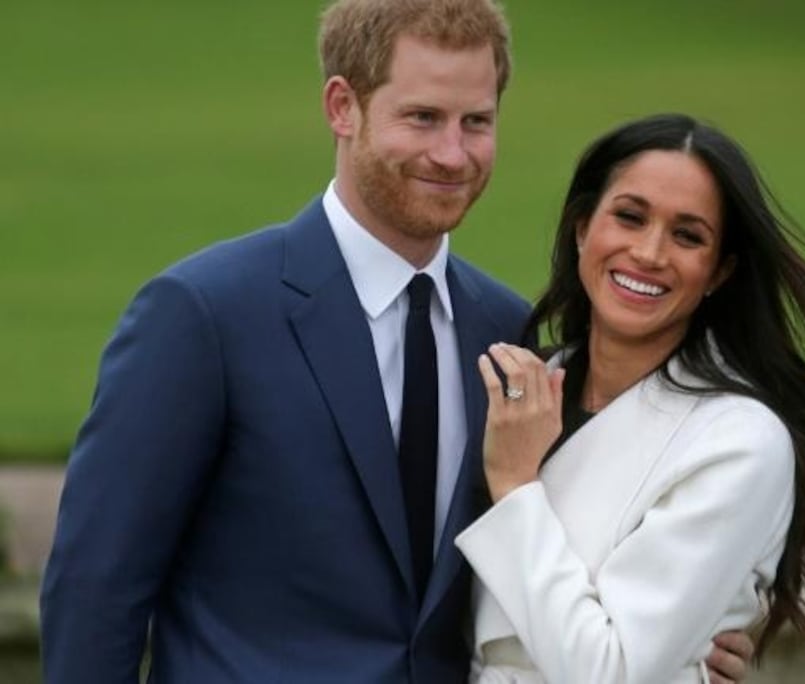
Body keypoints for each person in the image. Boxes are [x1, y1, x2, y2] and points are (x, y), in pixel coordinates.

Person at [39, 2, 750, 682]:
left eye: (476, 121)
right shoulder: (204, 316)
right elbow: (96, 590)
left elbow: (557, 549)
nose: (452, 153)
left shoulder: (510, 335)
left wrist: (686, 642)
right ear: (342, 107)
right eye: (423, 118)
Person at [452, 113, 805, 682]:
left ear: (718, 271)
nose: (650, 253)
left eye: (688, 236)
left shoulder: (739, 442)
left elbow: (613, 673)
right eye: (629, 217)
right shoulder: (525, 388)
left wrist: (515, 488)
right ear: (582, 227)